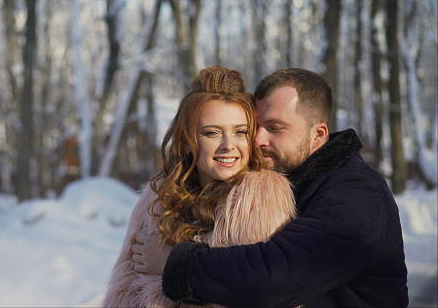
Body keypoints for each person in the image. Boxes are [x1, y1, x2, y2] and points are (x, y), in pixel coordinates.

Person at [133, 68, 409, 307]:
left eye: (275, 128)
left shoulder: (357, 195)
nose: (257, 140)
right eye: (256, 127)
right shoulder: (281, 180)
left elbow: (275, 277)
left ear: (318, 135)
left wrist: (175, 262)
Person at [102, 66, 297, 307]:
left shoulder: (260, 198)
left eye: (240, 132)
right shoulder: (158, 198)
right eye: (212, 133)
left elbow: (255, 290)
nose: (228, 145)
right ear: (186, 142)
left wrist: (172, 262)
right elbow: (125, 293)